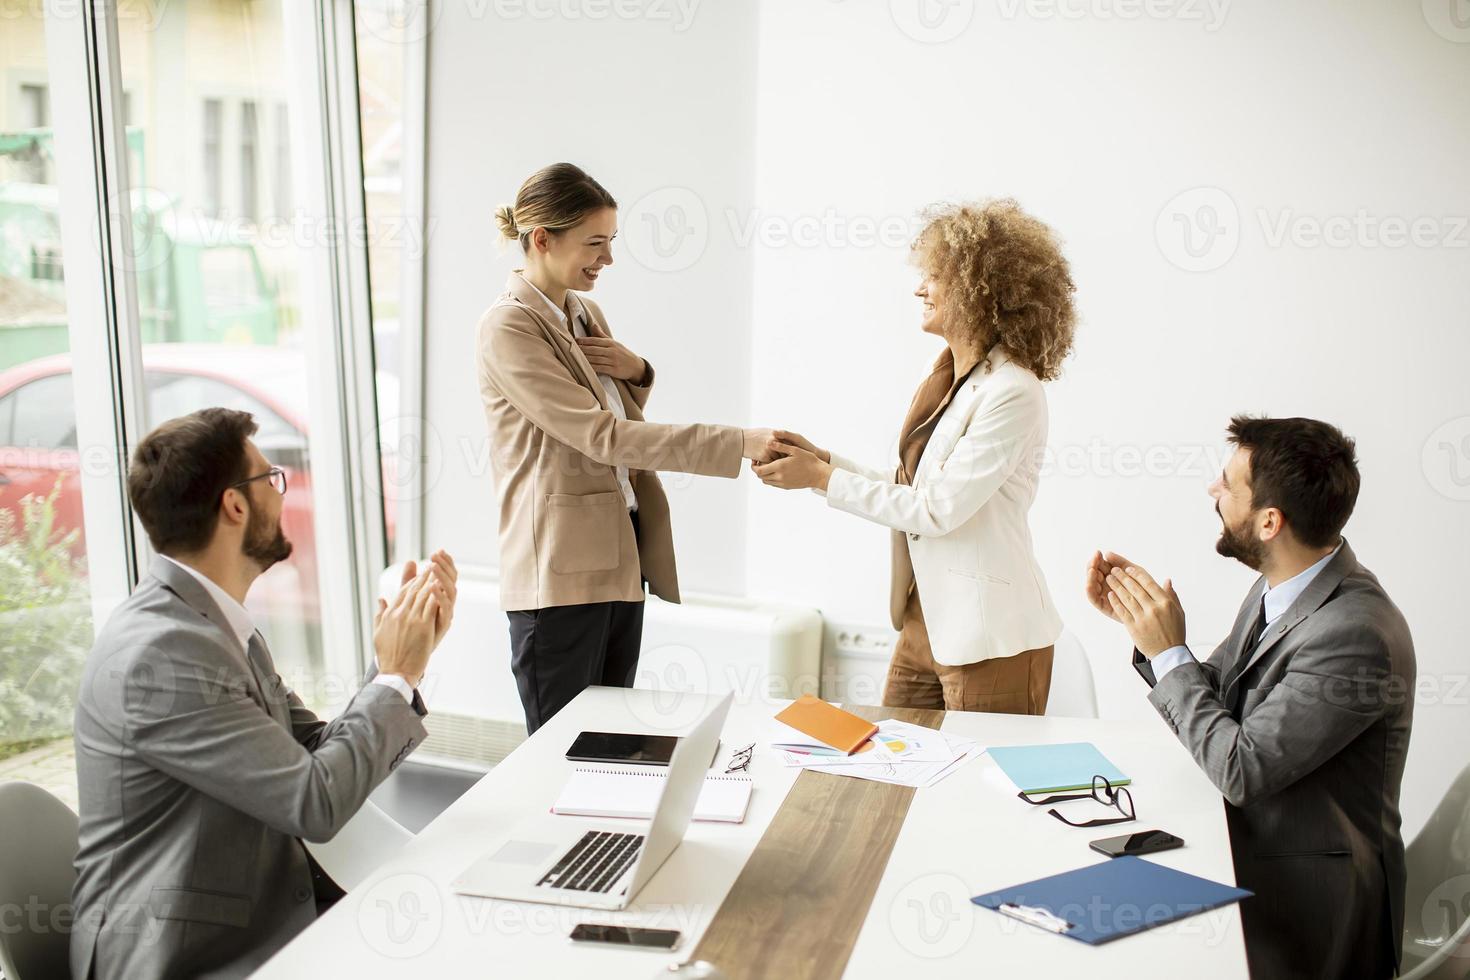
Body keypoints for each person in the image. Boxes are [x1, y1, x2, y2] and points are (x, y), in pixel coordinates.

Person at [71, 407, 458, 980]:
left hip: (248, 920)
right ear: (234, 504)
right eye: (271, 478)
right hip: (181, 956)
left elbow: (312, 753)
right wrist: (395, 677)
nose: (281, 494)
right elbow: (314, 801)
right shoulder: (163, 657)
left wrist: (399, 666)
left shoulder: (210, 625)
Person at [1085, 415, 1414, 980]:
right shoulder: (1282, 583)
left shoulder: (1357, 637)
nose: (1213, 490)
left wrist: (1170, 654)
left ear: (1269, 521)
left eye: (1227, 484)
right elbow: (1222, 703)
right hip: (1246, 846)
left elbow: (1240, 766)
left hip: (1311, 906)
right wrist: (1149, 631)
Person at [478, 162, 778, 734]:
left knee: (610, 748)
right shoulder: (507, 327)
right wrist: (738, 442)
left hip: (620, 559)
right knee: (561, 753)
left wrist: (639, 370)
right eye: (595, 243)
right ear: (542, 239)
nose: (607, 259)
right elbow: (604, 437)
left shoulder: (583, 312)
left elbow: (619, 415)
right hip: (559, 575)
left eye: (611, 242)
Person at [755, 199, 1075, 714]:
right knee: (890, 771)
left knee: (976, 789)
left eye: (934, 276)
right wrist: (823, 465)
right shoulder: (945, 372)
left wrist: (822, 478)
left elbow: (937, 510)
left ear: (980, 289)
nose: (919, 288)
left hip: (989, 638)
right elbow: (911, 486)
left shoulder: (1014, 391)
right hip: (923, 620)